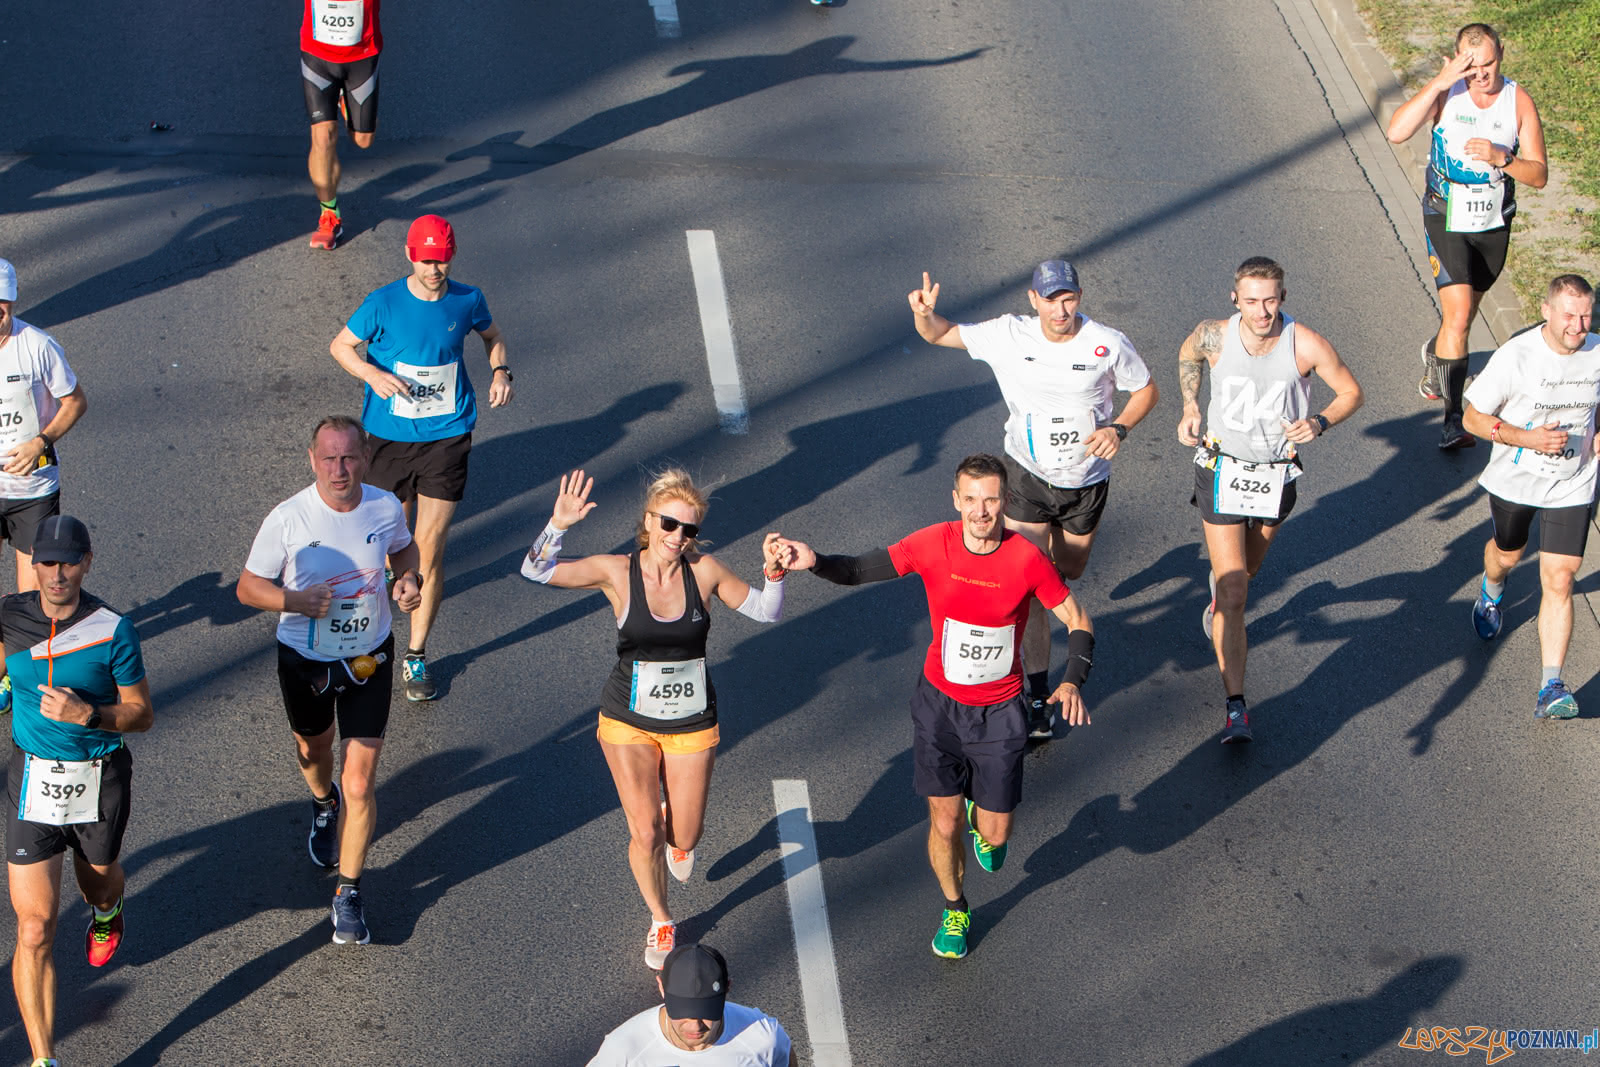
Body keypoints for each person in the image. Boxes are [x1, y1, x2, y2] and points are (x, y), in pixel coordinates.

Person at [782, 453, 1094, 960]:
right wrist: (813, 561)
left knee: (996, 834)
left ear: (1005, 502)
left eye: (991, 499)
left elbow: (1078, 618)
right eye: (970, 499)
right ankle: (955, 907)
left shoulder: (1025, 559)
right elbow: (862, 569)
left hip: (999, 714)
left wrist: (1073, 679)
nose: (981, 511)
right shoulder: (933, 544)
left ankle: (985, 821)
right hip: (940, 708)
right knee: (942, 823)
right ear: (956, 501)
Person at [521, 468, 794, 969]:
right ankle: (661, 919)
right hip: (628, 718)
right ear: (649, 522)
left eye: (688, 530)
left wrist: (773, 577)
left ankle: (676, 826)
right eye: (669, 525)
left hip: (691, 723)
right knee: (644, 832)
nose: (677, 538)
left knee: (684, 837)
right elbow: (537, 570)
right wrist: (557, 526)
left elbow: (765, 612)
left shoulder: (704, 571)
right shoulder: (616, 571)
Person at [908, 261, 1156, 739]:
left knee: (1071, 569)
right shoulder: (1009, 335)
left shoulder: (1107, 343)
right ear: (1033, 299)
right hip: (1026, 475)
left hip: (1085, 481)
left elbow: (1146, 389)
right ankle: (1037, 696)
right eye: (1050, 299)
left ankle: (1055, 587)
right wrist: (924, 315)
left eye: (1068, 299)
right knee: (1034, 584)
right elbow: (940, 335)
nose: (1059, 309)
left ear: (1079, 297)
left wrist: (1118, 428)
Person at [236, 416, 423, 945]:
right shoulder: (289, 518)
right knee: (314, 754)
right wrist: (295, 601)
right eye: (328, 458)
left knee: (361, 781)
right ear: (312, 461)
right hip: (306, 660)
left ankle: (348, 894)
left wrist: (409, 579)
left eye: (348, 458)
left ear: (364, 458)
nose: (339, 469)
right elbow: (249, 588)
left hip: (369, 657)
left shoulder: (384, 506)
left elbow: (403, 550)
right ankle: (323, 803)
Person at [1177, 257, 1363, 743]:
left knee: (1248, 572)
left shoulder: (1306, 344)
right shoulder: (1214, 334)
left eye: (1271, 300)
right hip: (1219, 469)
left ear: (1283, 297)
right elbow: (1188, 353)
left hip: (1275, 476)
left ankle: (1221, 593)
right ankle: (1236, 704)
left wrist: (1319, 422)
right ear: (1235, 299)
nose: (1262, 311)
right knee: (1236, 591)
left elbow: (1350, 392)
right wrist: (1191, 403)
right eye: (1252, 300)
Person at [329, 214, 511, 701]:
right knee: (390, 540)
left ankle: (415, 655)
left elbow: (493, 337)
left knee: (429, 546)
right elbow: (341, 346)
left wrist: (501, 371)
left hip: (448, 435)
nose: (436, 267)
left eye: (443, 257)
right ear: (411, 255)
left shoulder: (467, 299)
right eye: (428, 259)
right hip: (388, 438)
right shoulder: (383, 303)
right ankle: (369, 628)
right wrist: (371, 375)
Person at [3, 516, 152, 1067]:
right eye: (47, 561)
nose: (56, 572)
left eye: (68, 561)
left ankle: (108, 910)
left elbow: (142, 715)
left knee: (99, 884)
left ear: (87, 562)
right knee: (36, 926)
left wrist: (88, 712)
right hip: (31, 784)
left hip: (98, 778)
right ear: (33, 564)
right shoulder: (11, 617)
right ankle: (44, 1059)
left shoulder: (114, 629)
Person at [1385, 22, 1548, 448]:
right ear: (1458, 60)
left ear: (1501, 56)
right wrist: (1439, 82)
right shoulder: (1447, 93)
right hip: (1446, 216)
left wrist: (1502, 157)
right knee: (1458, 315)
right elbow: (1396, 132)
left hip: (1492, 223)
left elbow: (1540, 175)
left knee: (1465, 312)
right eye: (1472, 66)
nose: (1481, 75)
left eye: (1489, 64)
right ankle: (1453, 421)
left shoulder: (1517, 101)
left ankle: (1437, 355)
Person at [1461, 275, 1599, 718]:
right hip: (1515, 480)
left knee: (1560, 577)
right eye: (1568, 315)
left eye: (1585, 315)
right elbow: (1472, 419)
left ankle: (1551, 685)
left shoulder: (1597, 352)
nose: (1577, 326)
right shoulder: (1516, 357)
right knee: (1507, 554)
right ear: (1546, 310)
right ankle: (1493, 587)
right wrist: (1525, 438)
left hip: (1573, 482)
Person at [0, 259, 90, 598]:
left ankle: (22, 649)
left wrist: (40, 442)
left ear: (12, 301)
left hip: (32, 489)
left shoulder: (37, 346)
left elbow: (76, 402)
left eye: (2, 301)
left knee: (29, 601)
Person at [587, 943, 792, 1065]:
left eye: (706, 1011)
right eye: (682, 1012)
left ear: (727, 988)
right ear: (660, 987)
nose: (695, 1026)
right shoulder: (624, 1050)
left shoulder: (764, 1038)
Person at [300, 0, 382, 249]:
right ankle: (329, 216)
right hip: (317, 56)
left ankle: (345, 102)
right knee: (322, 137)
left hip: (362, 57)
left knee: (363, 140)